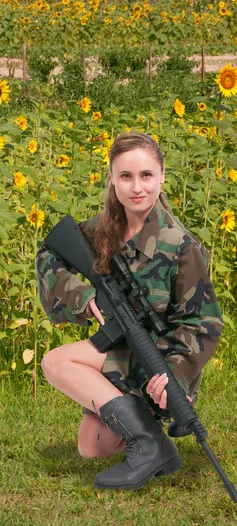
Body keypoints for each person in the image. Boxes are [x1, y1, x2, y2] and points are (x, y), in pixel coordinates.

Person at [36, 132, 223, 490]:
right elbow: (49, 254)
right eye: (125, 176)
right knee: (93, 447)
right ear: (112, 179)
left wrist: (175, 377)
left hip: (160, 366)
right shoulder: (103, 229)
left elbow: (204, 324)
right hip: (121, 348)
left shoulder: (181, 246)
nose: (137, 187)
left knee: (56, 362)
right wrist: (82, 294)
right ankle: (155, 444)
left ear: (162, 176)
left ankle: (148, 443)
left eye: (146, 175)